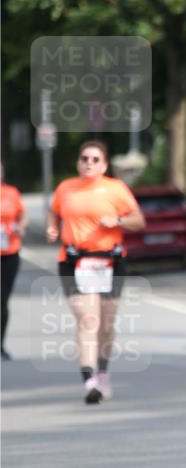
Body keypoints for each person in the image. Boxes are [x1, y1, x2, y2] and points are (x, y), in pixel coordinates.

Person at [46, 140, 145, 404]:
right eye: (84, 158)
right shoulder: (65, 188)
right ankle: (88, 380)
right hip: (74, 261)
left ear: (104, 165)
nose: (89, 163)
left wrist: (119, 220)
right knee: (88, 319)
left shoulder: (116, 189)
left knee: (106, 324)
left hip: (109, 262)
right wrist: (52, 228)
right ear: (78, 162)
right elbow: (53, 212)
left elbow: (139, 221)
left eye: (95, 159)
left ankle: (102, 371)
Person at [1, 163, 28, 361]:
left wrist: (21, 227)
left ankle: (0, 344)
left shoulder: (11, 193)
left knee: (2, 301)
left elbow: (22, 216)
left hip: (9, 253)